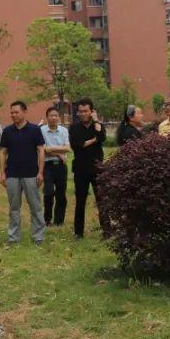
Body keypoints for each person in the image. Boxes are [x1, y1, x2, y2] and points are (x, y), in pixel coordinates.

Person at [0, 100, 46, 245]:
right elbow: (2, 153)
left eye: (16, 112)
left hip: (31, 174)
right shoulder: (7, 131)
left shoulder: (34, 130)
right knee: (14, 208)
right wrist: (2, 173)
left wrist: (40, 172)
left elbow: (41, 151)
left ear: (24, 112)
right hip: (12, 174)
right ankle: (13, 238)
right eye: (11, 112)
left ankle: (38, 237)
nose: (13, 115)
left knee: (35, 207)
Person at [69, 98, 109, 238]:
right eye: (80, 111)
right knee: (80, 201)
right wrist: (93, 140)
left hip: (97, 168)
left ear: (91, 112)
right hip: (80, 169)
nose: (83, 114)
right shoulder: (74, 128)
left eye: (86, 111)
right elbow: (77, 145)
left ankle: (107, 230)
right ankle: (78, 232)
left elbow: (102, 137)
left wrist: (96, 121)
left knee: (101, 200)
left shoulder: (98, 125)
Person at [40, 106, 70, 227]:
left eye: (56, 116)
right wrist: (59, 153)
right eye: (51, 115)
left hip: (61, 166)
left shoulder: (64, 130)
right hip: (47, 165)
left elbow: (67, 148)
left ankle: (59, 220)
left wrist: (51, 149)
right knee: (48, 191)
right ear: (47, 117)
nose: (54, 118)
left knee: (61, 193)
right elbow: (43, 149)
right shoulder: (41, 130)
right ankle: (47, 219)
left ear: (59, 117)